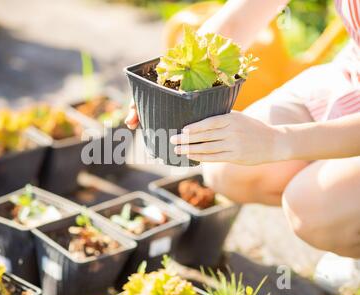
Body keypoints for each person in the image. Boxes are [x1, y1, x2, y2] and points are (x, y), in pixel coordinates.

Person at [125, 0, 360, 266]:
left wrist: (276, 141)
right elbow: (240, 18)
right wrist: (165, 82)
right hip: (352, 77)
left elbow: (277, 142)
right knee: (226, 168)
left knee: (313, 210)